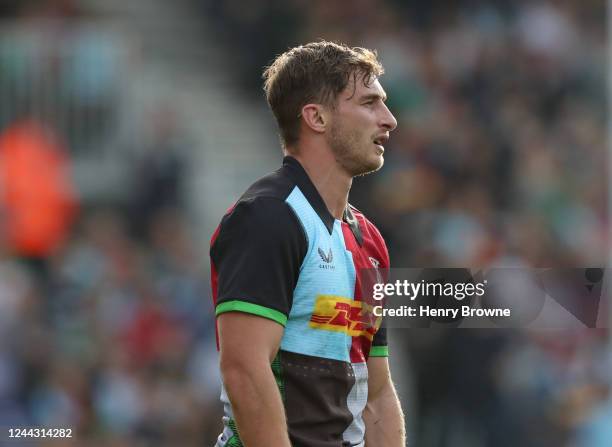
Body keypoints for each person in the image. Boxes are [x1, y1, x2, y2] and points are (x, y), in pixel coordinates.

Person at [210, 41, 404, 447]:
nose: (389, 120)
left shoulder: (369, 240)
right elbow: (245, 369)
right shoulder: (267, 218)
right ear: (316, 117)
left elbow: (378, 393)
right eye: (369, 103)